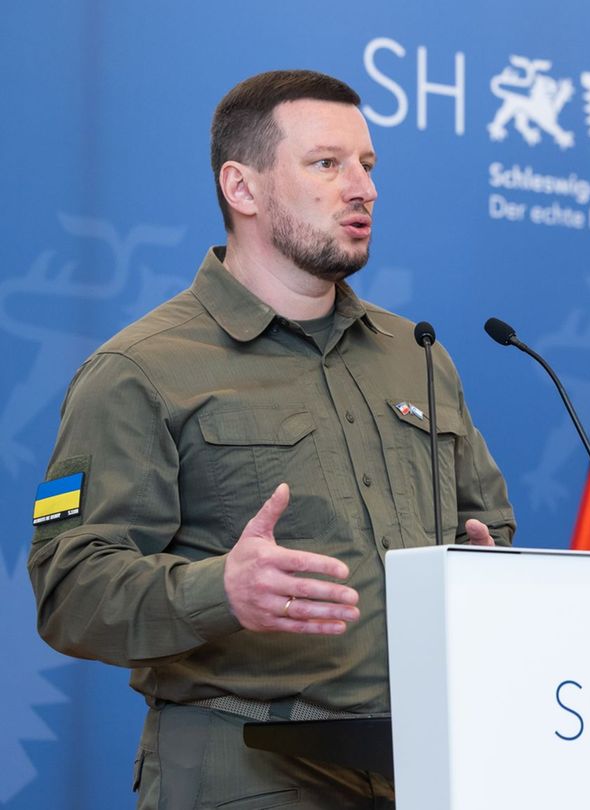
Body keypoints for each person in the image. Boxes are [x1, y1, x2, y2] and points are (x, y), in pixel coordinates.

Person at [28, 69, 515, 808]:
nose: (364, 189)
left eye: (368, 165)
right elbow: (68, 588)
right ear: (242, 188)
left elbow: (488, 527)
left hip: (423, 765)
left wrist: (484, 571)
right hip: (245, 766)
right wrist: (218, 589)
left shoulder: (414, 354)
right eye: (328, 164)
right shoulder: (141, 369)